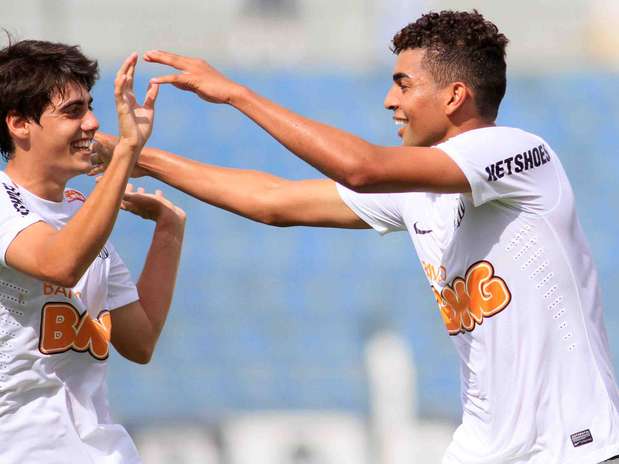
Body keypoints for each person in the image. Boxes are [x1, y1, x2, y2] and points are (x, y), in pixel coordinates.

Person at [96, 9, 618, 464]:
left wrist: (237, 94)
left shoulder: (518, 154)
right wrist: (131, 156)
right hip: (481, 450)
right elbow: (274, 202)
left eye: (404, 83)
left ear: (455, 95)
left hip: (572, 448)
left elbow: (361, 168)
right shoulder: (416, 191)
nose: (390, 100)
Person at [0, 40, 186, 463]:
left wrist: (169, 231)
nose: (92, 123)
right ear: (19, 123)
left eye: (89, 106)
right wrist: (126, 152)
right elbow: (60, 264)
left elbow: (139, 342)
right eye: (72, 112)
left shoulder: (79, 213)